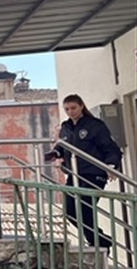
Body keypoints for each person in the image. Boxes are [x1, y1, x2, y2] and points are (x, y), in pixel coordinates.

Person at [45, 94, 122, 249]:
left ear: (81, 106)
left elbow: (111, 148)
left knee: (85, 209)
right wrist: (55, 153)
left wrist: (111, 166)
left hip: (93, 175)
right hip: (74, 175)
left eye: (73, 108)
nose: (70, 112)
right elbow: (63, 146)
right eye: (67, 109)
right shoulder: (65, 127)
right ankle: (101, 240)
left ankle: (98, 243)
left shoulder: (95, 125)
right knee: (70, 211)